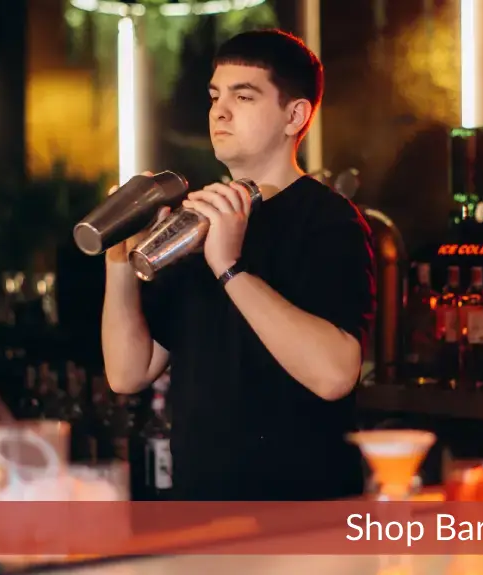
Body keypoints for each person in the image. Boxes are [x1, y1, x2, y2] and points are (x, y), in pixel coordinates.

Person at [101, 29, 376, 501]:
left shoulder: (329, 220)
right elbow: (129, 372)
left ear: (295, 115)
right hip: (200, 510)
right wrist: (119, 258)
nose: (219, 111)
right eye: (214, 96)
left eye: (243, 96)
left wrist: (230, 268)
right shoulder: (196, 217)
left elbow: (334, 374)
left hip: (299, 516)